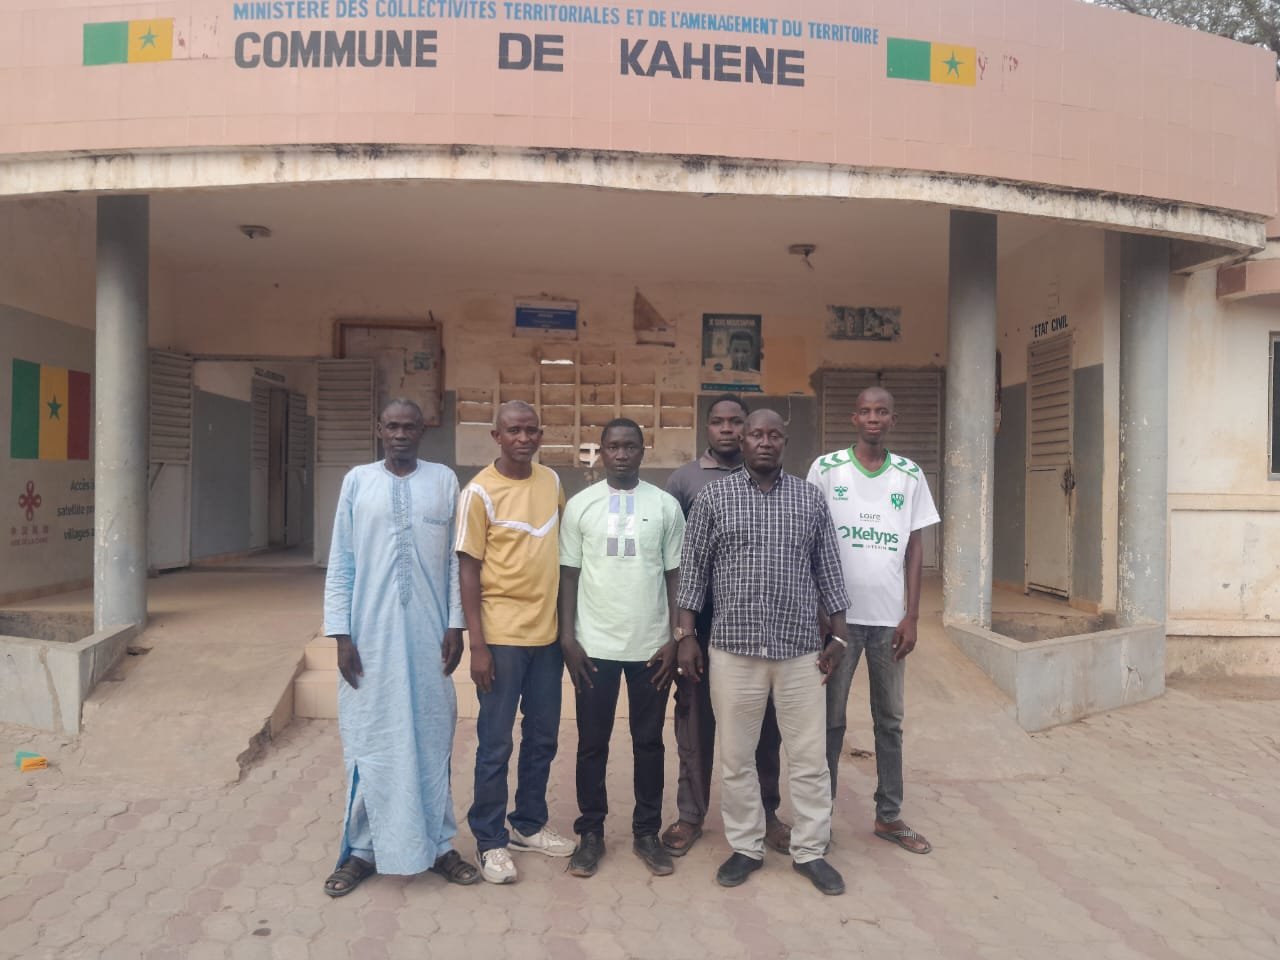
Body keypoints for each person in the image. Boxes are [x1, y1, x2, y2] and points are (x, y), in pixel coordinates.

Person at [676, 409, 851, 896]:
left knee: (809, 758)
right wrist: (685, 634)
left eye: (774, 435)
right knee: (736, 757)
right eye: (756, 434)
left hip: (800, 652)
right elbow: (693, 570)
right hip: (734, 651)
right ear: (743, 440)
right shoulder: (714, 498)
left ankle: (810, 850)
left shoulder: (809, 498)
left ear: (785, 442)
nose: (765, 442)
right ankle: (746, 846)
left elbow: (829, 570)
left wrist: (839, 636)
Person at [322, 399, 478, 897]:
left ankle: (438, 844)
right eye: (392, 426)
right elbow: (342, 561)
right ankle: (362, 850)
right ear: (379, 429)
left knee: (431, 738)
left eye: (410, 426)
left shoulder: (444, 480)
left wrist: (455, 625)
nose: (401, 434)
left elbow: (455, 561)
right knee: (371, 740)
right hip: (369, 639)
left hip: (430, 638)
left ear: (423, 430)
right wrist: (341, 636)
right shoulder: (357, 481)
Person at [806, 386, 940, 856]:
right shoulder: (826, 469)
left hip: (889, 622)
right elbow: (809, 538)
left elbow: (916, 547)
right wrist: (820, 611)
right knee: (830, 721)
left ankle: (889, 815)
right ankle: (818, 818)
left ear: (893, 420)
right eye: (865, 411)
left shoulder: (910, 474)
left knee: (890, 720)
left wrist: (912, 615)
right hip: (838, 621)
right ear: (853, 418)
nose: (873, 418)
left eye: (882, 411)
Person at [661, 395, 791, 858]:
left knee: (764, 728)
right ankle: (690, 815)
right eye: (718, 422)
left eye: (737, 422)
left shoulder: (775, 481)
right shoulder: (685, 481)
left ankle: (766, 813)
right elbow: (677, 561)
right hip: (701, 623)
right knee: (694, 724)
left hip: (759, 626)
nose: (728, 429)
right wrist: (682, 633)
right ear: (706, 427)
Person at [559, 419, 685, 879]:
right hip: (594, 646)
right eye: (613, 447)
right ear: (601, 452)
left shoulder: (665, 505)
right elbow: (568, 573)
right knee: (592, 743)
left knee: (649, 742)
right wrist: (567, 637)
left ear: (643, 451)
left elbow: (675, 574)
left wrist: (675, 636)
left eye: (630, 446)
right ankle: (590, 833)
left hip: (651, 647)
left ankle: (646, 832)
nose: (621, 454)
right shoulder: (581, 505)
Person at [456, 400, 575, 884]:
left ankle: (527, 824)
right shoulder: (479, 492)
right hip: (501, 637)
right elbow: (468, 569)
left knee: (543, 736)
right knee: (496, 743)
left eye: (531, 431)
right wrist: (477, 646)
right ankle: (489, 840)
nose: (523, 439)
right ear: (497, 436)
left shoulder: (551, 481)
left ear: (540, 435)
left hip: (546, 637)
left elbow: (564, 552)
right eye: (514, 431)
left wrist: (567, 629)